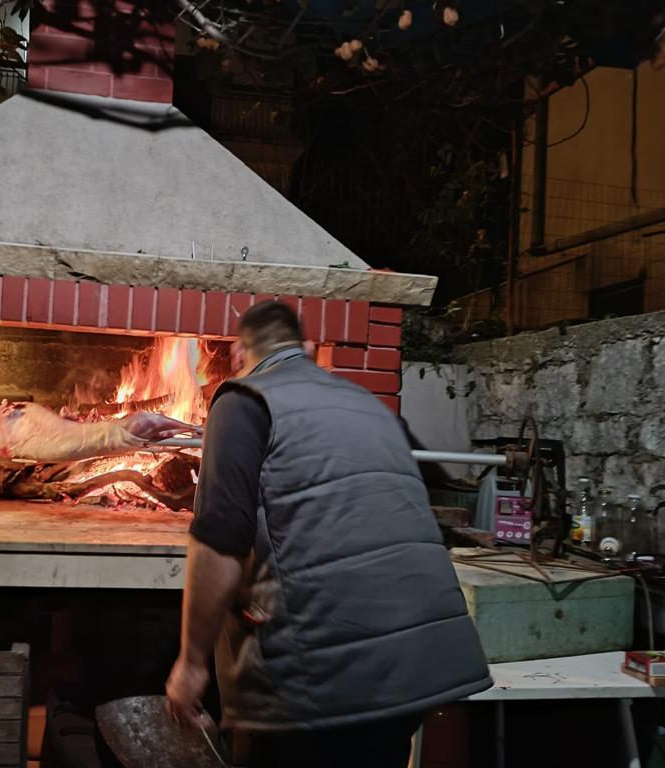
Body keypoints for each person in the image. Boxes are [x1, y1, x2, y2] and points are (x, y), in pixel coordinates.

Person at [165, 300, 491, 767]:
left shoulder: (244, 400)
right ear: (309, 349)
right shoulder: (373, 407)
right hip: (422, 665)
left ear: (238, 354)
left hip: (320, 678)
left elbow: (220, 540)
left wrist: (191, 664)